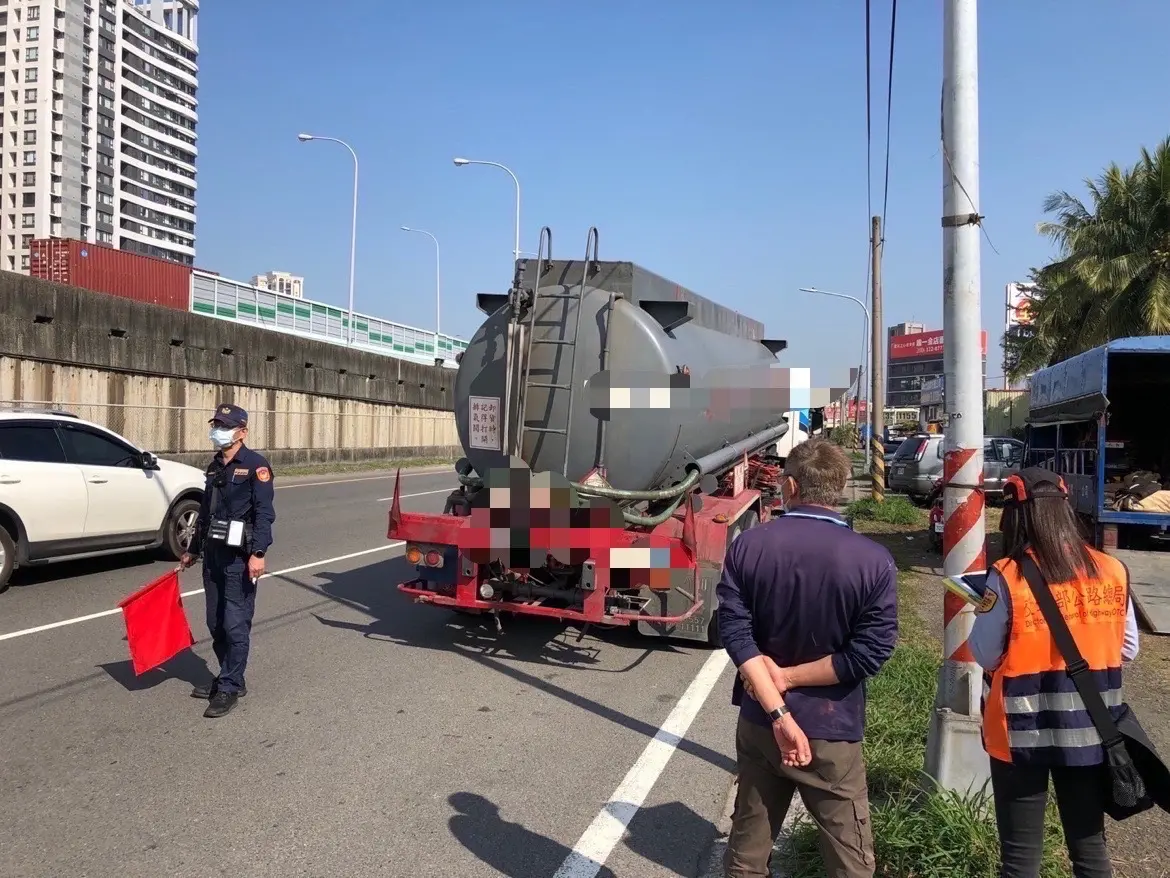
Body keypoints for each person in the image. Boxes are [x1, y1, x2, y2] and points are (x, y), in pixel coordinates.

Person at [717, 437, 898, 878]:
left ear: (791, 486)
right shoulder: (873, 561)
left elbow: (735, 633)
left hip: (761, 721)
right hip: (831, 728)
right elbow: (870, 652)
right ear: (838, 487)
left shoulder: (749, 546)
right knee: (849, 858)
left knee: (748, 850)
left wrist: (777, 706)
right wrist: (792, 678)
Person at [970, 467, 1140, 878]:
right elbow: (1128, 648)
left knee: (1020, 860)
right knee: (1090, 853)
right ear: (1066, 511)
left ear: (1015, 517)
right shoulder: (1111, 570)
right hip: (1092, 730)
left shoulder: (1007, 576)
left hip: (1019, 734)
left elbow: (984, 653)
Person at [180, 403, 277, 719]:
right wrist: (193, 549)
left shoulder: (255, 466)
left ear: (242, 432)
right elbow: (206, 515)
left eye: (224, 426)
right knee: (214, 622)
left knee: (235, 624)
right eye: (216, 425)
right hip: (213, 556)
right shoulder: (213, 467)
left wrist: (258, 553)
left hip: (239, 559)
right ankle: (229, 674)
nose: (217, 431)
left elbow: (264, 514)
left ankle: (230, 687)